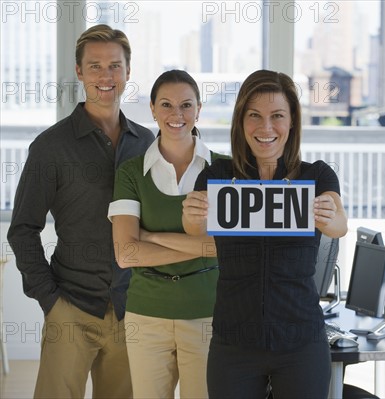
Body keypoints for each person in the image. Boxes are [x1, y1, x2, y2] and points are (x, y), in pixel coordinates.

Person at [7, 24, 155, 398]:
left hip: (131, 308)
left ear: (128, 71)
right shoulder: (50, 147)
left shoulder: (147, 143)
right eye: (95, 66)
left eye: (115, 66)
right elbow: (23, 228)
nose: (106, 76)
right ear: (79, 72)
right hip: (70, 307)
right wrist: (50, 300)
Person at [182, 69, 348, 398]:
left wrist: (329, 217)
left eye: (277, 116)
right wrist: (191, 213)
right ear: (241, 120)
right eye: (254, 115)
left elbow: (340, 224)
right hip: (234, 342)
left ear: (292, 122)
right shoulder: (219, 176)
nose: (266, 127)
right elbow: (193, 227)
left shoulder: (316, 176)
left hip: (301, 341)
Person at [109, 70, 225, 398]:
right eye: (167, 105)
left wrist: (152, 237)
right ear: (153, 109)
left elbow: (232, 247)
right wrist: (205, 247)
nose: (177, 115)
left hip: (208, 314)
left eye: (186, 105)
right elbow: (126, 254)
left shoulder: (225, 171)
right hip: (147, 315)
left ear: (199, 110)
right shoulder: (131, 173)